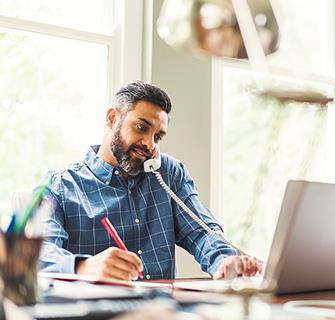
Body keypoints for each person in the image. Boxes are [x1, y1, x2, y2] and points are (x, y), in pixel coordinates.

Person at [39, 81, 261, 281]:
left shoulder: (169, 174)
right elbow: (38, 251)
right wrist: (83, 266)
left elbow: (201, 232)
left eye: (157, 137)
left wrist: (224, 260)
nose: (149, 144)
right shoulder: (60, 186)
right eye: (141, 127)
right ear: (112, 118)